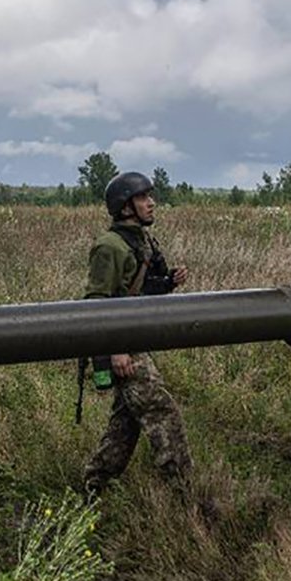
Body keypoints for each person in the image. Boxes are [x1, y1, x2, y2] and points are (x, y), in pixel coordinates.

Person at [82, 171, 193, 498]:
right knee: (161, 411)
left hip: (135, 342)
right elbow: (96, 306)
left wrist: (170, 282)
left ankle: (94, 485)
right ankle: (184, 495)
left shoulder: (141, 241)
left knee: (125, 424)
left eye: (150, 197)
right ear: (125, 206)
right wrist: (117, 350)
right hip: (123, 348)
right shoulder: (109, 247)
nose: (151, 203)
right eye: (143, 198)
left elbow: (141, 292)